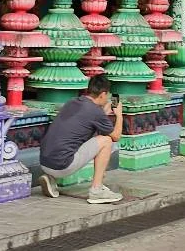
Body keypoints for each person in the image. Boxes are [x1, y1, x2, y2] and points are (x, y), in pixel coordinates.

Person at [37, 74, 124, 203]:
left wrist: (103, 114)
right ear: (103, 94)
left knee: (68, 140)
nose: (108, 99)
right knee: (106, 141)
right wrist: (119, 114)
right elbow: (116, 136)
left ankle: (51, 178)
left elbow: (82, 121)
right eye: (107, 95)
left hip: (44, 162)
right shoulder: (95, 112)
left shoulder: (72, 102)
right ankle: (97, 190)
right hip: (62, 166)